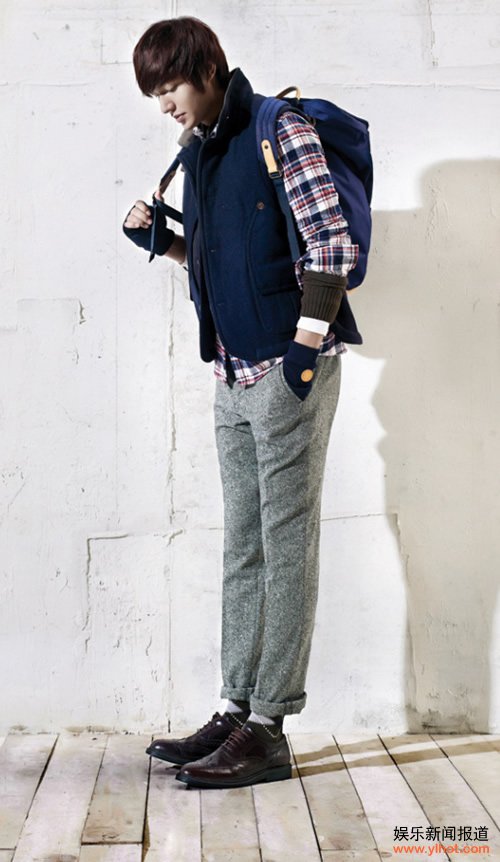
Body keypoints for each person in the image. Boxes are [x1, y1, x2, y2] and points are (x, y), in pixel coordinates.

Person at [123, 16, 362, 789]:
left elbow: (331, 244)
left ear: (207, 69)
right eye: (155, 94)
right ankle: (235, 708)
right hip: (230, 374)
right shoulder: (201, 150)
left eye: (170, 87)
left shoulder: (276, 128)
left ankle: (269, 727)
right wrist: (160, 240)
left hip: (287, 372)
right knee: (244, 545)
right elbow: (218, 258)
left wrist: (301, 356)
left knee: (285, 544)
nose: (164, 104)